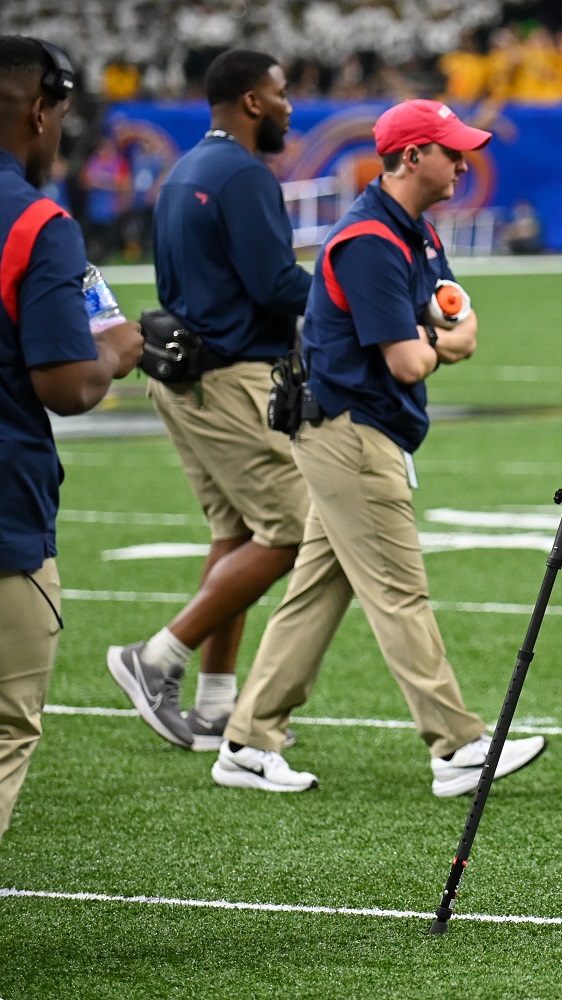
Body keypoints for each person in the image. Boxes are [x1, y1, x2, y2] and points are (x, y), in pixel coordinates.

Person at [209, 99, 545, 796]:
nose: (463, 162)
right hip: (352, 434)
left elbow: (462, 324)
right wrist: (437, 342)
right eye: (451, 151)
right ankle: (456, 746)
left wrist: (435, 340)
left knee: (315, 592)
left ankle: (246, 740)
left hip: (359, 429)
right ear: (412, 155)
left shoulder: (412, 234)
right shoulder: (371, 241)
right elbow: (410, 362)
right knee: (398, 590)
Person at [106, 49, 314, 754]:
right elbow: (274, 284)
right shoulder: (243, 174)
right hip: (231, 378)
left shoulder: (184, 170)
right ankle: (157, 657)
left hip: (183, 377)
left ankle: (218, 702)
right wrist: (359, 290)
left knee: (236, 536)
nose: (290, 105)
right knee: (291, 530)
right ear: (253, 102)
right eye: (282, 94)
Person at [0, 35, 143, 840]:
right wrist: (118, 351)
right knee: (4, 727)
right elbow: (67, 384)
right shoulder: (35, 220)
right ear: (40, 110)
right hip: (6, 511)